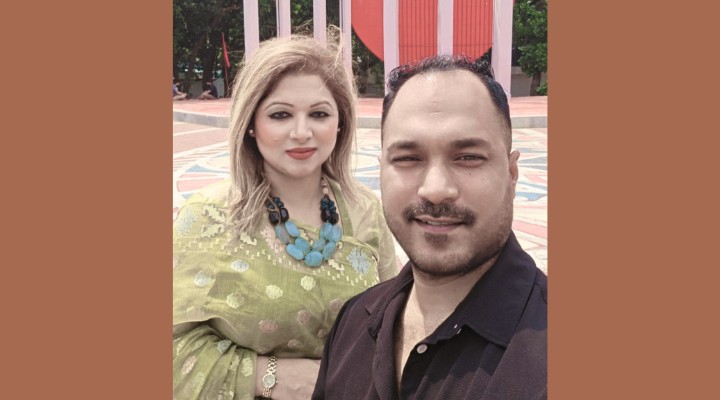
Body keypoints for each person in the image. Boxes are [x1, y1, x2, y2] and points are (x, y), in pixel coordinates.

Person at [173, 30, 398, 400]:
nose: (302, 132)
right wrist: (274, 376)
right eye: (280, 115)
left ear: (340, 122)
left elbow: (396, 324)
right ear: (251, 123)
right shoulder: (207, 218)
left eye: (319, 114)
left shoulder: (365, 210)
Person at [313, 55, 547, 399]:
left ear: (511, 173)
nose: (435, 189)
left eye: (468, 157)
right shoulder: (352, 323)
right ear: (381, 170)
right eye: (408, 158)